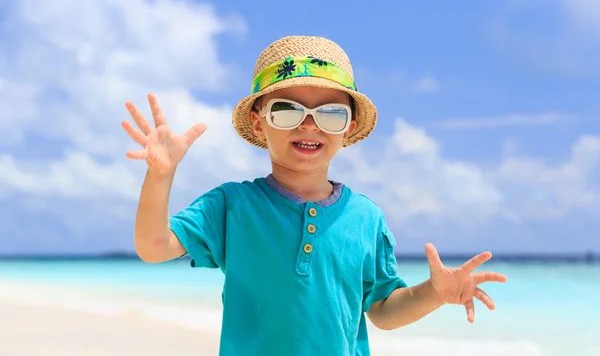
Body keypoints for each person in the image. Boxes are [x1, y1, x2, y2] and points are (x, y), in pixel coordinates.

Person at [122, 36, 507, 355]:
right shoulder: (232, 207)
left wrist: (434, 293)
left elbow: (384, 311)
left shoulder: (366, 218)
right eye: (287, 111)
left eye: (330, 114)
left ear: (348, 126)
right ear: (259, 123)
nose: (309, 125)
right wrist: (161, 175)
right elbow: (154, 246)